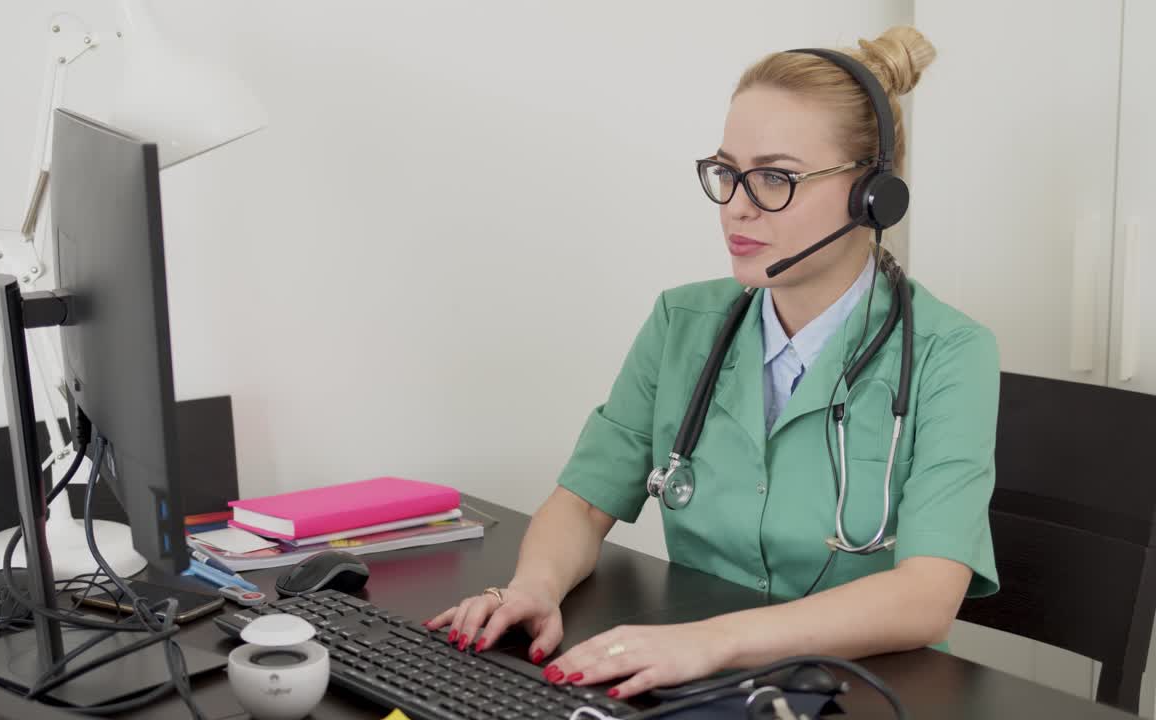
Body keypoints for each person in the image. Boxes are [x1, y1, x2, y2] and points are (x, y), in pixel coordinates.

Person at [425, 25, 1000, 700]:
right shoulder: (681, 324)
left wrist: (712, 640)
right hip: (695, 681)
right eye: (727, 173)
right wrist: (534, 588)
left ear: (872, 194)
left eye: (774, 179)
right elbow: (581, 506)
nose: (735, 207)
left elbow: (926, 597)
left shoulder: (949, 352)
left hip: (864, 692)